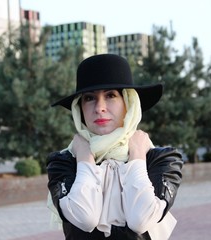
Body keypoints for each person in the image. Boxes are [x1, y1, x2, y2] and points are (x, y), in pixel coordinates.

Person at [46, 54, 184, 240]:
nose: (99, 107)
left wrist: (137, 157)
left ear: (128, 103)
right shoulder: (64, 162)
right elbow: (84, 217)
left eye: (110, 95)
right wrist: (85, 159)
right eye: (89, 98)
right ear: (79, 108)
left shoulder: (161, 159)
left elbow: (141, 219)